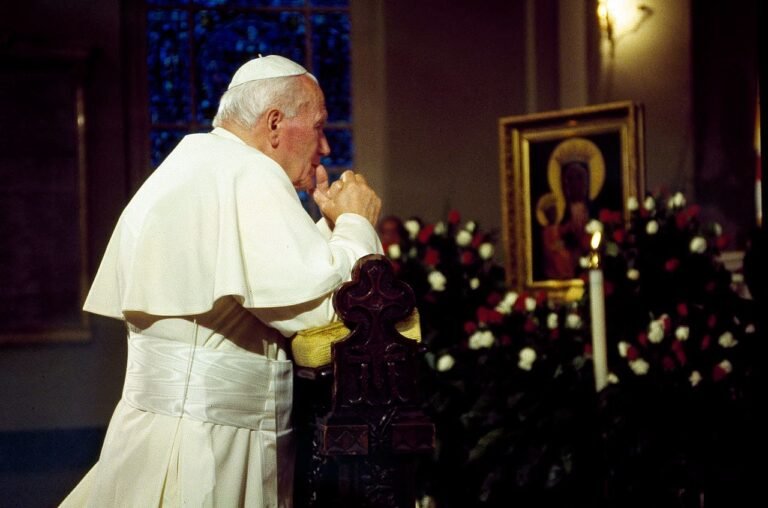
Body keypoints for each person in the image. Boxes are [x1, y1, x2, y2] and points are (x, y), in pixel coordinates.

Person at [61, 55, 382, 507]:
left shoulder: (193, 164)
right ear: (274, 124)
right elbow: (327, 312)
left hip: (161, 432)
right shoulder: (249, 173)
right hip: (213, 448)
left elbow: (266, 283)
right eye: (318, 127)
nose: (325, 147)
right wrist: (355, 223)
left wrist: (327, 229)